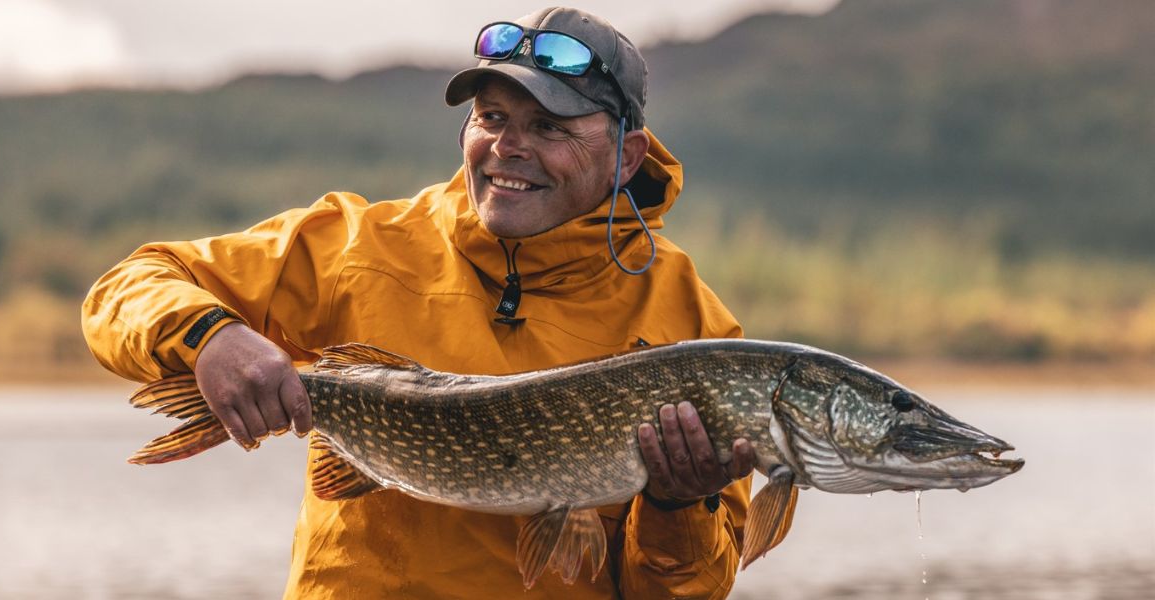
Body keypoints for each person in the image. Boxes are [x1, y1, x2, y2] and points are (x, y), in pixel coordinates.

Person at [83, 6, 758, 599]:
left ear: (626, 157)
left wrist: (677, 502)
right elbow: (130, 284)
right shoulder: (362, 246)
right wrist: (211, 337)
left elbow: (683, 594)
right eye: (491, 117)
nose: (508, 147)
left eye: (549, 127)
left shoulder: (695, 327)